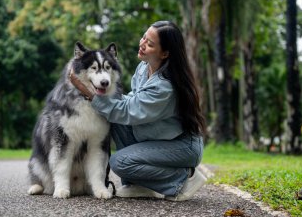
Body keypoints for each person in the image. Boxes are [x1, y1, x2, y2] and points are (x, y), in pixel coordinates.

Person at [70, 20, 207, 201]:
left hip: (181, 146)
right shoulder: (144, 67)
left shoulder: (164, 86)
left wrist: (89, 93)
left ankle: (182, 179)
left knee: (120, 162)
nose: (142, 44)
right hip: (156, 136)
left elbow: (128, 111)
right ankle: (137, 184)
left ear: (165, 53)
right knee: (112, 118)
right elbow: (132, 102)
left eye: (150, 44)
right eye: (144, 37)